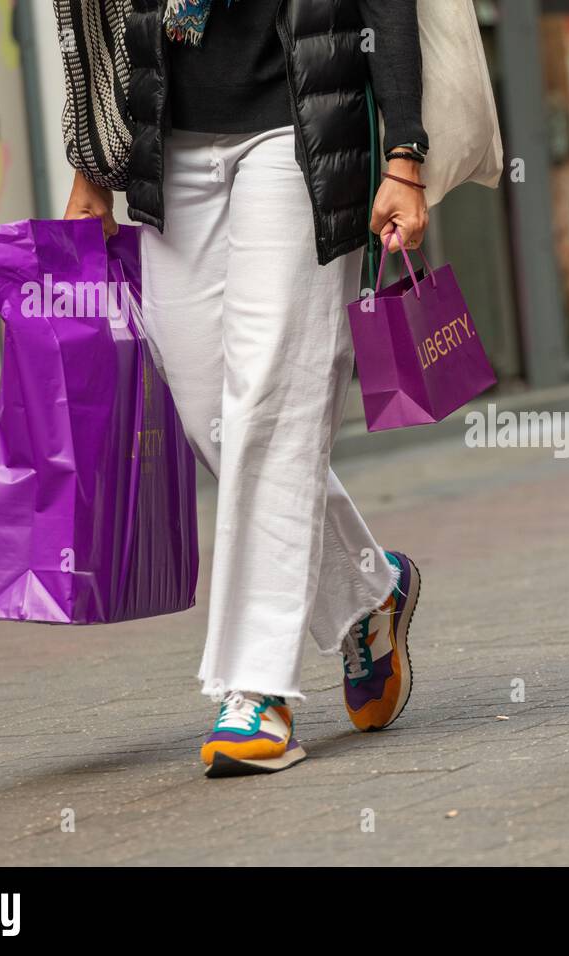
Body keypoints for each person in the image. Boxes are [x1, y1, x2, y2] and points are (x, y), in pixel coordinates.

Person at [62, 0, 429, 774]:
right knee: (212, 413)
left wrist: (403, 154)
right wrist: (92, 168)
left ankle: (255, 689)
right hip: (169, 142)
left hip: (295, 132)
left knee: (270, 407)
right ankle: (371, 595)